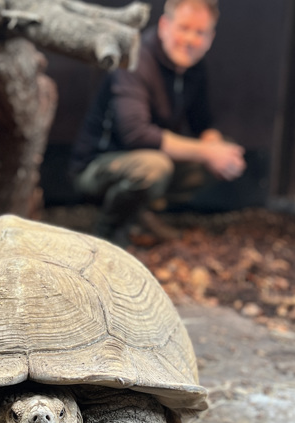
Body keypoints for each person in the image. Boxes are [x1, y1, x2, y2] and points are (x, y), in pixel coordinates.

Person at [69, 0, 246, 246]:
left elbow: (202, 123)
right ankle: (107, 236)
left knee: (221, 150)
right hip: (98, 165)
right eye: (183, 28)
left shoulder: (193, 66)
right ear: (164, 26)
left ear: (210, 38)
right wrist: (207, 151)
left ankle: (138, 215)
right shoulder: (136, 58)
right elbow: (136, 133)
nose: (190, 39)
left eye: (200, 32)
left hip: (150, 160)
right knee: (154, 167)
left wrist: (217, 149)